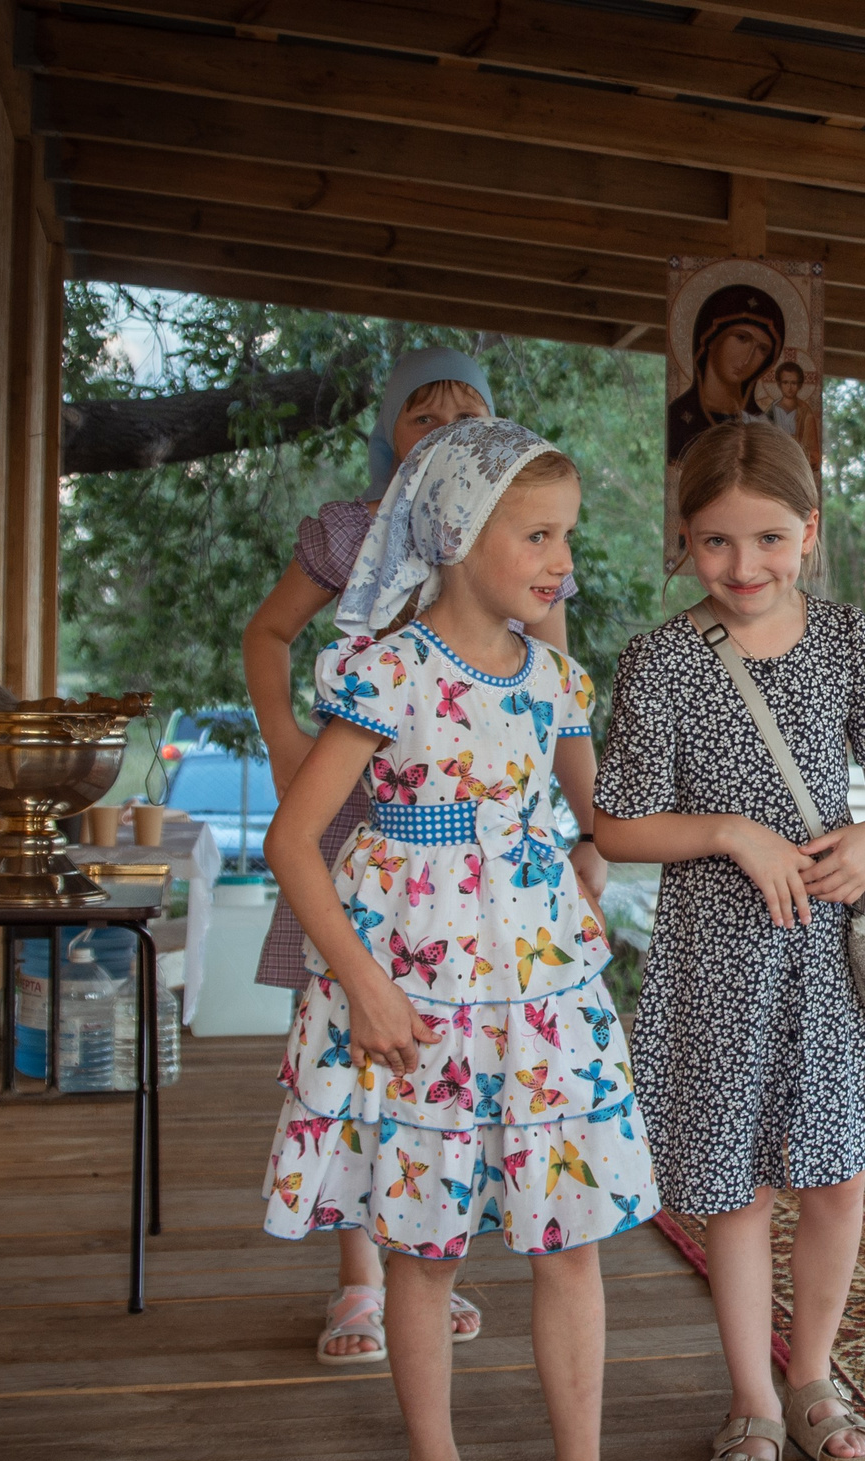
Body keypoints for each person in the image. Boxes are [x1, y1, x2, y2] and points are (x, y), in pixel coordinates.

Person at [261, 416, 678, 1461]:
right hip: (415, 980)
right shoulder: (386, 669)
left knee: (571, 1232)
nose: (562, 561)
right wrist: (365, 985)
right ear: (455, 532)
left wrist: (666, 842)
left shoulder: (552, 677)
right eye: (537, 535)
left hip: (541, 987)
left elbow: (603, 820)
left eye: (568, 538)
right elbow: (296, 843)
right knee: (422, 1240)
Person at [243, 348, 604, 1364]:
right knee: (368, 1033)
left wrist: (576, 827)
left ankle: (441, 1235)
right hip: (371, 798)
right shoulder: (351, 540)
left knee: (478, 1046)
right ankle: (371, 1270)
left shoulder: (533, 577)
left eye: (466, 410)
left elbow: (560, 698)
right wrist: (285, 742)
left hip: (496, 820)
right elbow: (269, 637)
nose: (443, 423)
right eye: (422, 412)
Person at [593, 423, 865, 1461]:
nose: (744, 567)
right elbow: (621, 826)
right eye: (717, 541)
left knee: (835, 1176)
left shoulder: (850, 643)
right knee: (731, 1188)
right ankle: (752, 1403)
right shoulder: (659, 660)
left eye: (769, 539)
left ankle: (813, 1375)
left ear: (810, 534)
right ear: (683, 541)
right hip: (712, 954)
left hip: (823, 950)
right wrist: (732, 831)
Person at [665, 283, 784, 461]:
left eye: (762, 349)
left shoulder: (766, 428)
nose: (748, 359)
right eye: (742, 338)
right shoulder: (678, 419)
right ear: (711, 338)